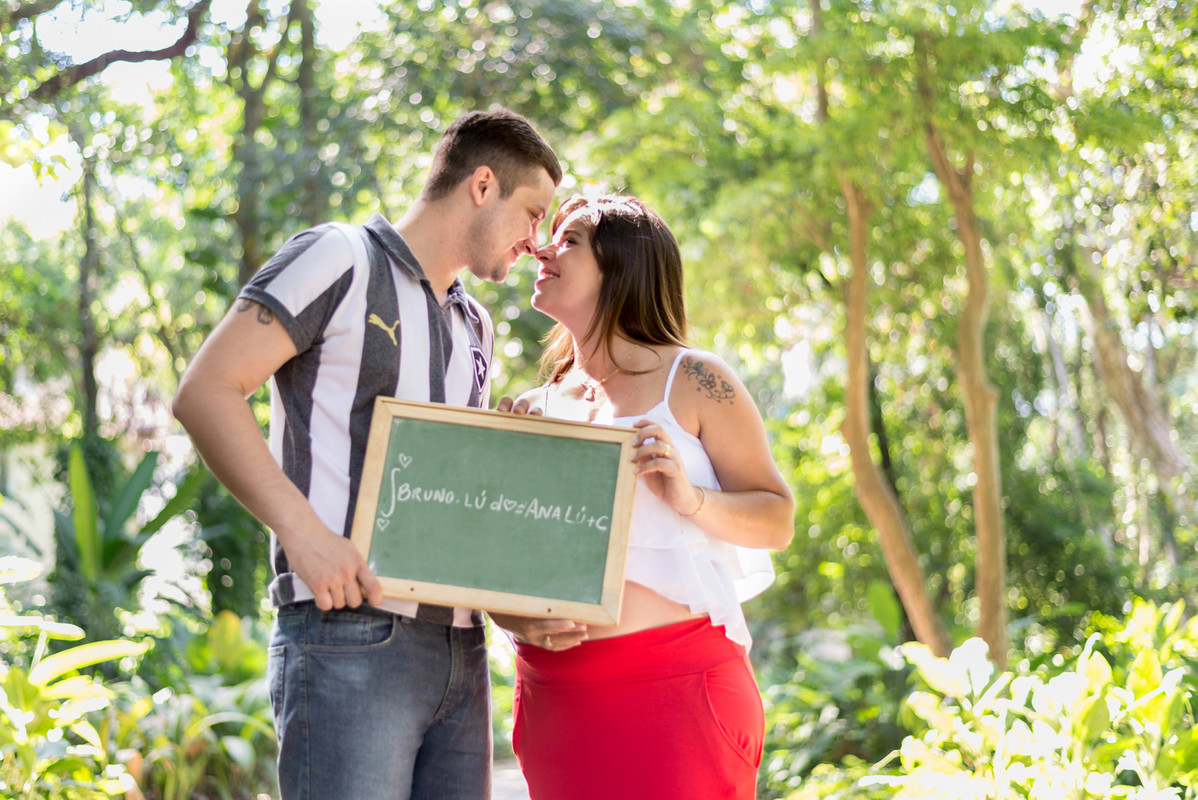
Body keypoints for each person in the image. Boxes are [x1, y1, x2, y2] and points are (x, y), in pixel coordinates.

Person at [171, 109, 562, 800]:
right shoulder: (339, 257)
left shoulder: (476, 324)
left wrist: (508, 601)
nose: (538, 242)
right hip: (347, 636)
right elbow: (206, 391)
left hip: (461, 656)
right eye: (532, 213)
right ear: (481, 186)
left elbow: (449, 497)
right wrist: (302, 533)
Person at [491, 195, 795, 799]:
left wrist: (691, 498)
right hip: (559, 698)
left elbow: (777, 518)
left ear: (623, 266)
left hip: (677, 695)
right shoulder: (538, 408)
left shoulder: (697, 379)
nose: (544, 250)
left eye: (570, 239)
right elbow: (507, 561)